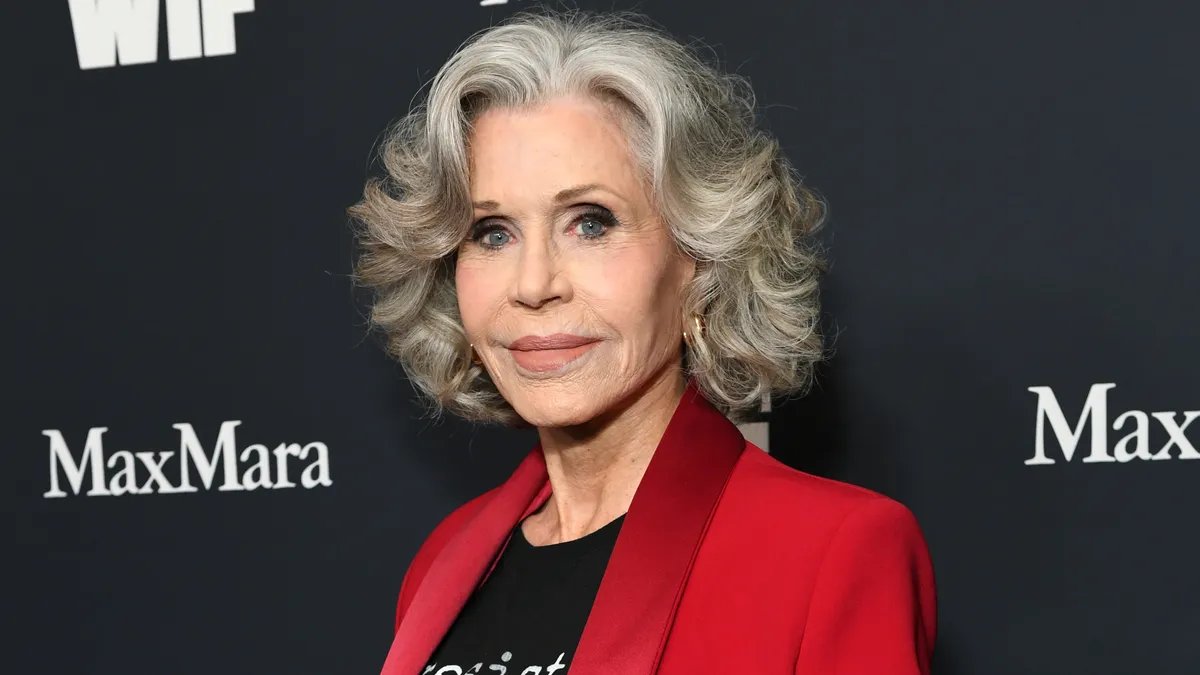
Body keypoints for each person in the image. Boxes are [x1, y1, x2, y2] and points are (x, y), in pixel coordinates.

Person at [349, 7, 936, 674]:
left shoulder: (832, 551)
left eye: (590, 223)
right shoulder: (443, 561)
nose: (534, 283)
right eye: (493, 232)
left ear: (696, 257)